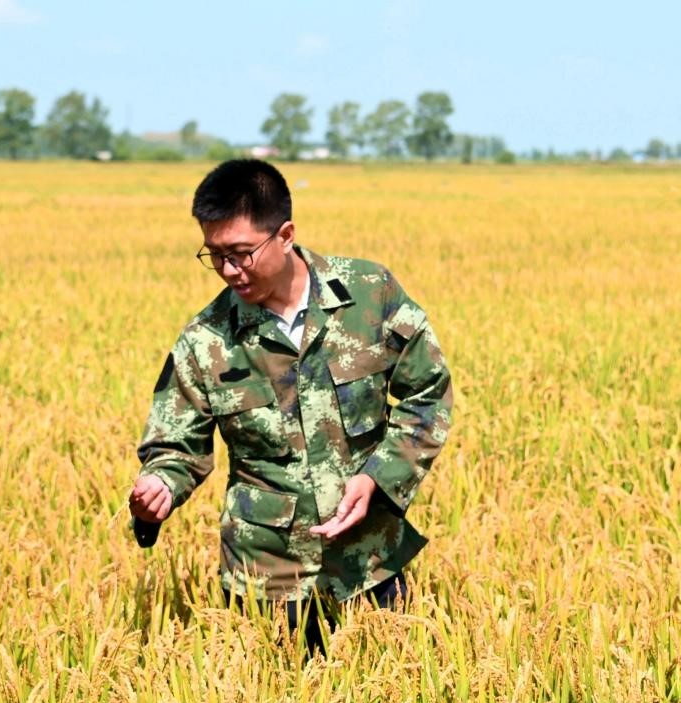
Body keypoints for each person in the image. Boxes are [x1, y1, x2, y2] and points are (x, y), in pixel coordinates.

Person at [128, 159, 453, 652]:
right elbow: (176, 444)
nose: (229, 271)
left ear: (284, 234)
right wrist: (159, 486)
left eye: (241, 253)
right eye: (214, 255)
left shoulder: (369, 295)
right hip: (268, 580)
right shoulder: (206, 340)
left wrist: (378, 477)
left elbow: (428, 393)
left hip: (371, 565)